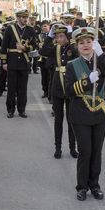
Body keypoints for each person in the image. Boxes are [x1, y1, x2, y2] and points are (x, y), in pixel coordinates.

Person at [65, 27, 105, 201]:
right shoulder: (71, 65)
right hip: (80, 114)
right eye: (81, 43)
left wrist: (101, 54)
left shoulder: (100, 60)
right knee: (85, 151)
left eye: (89, 42)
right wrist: (88, 81)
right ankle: (82, 187)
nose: (85, 45)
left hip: (99, 113)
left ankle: (95, 185)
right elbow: (69, 90)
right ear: (76, 46)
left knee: (97, 151)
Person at [41, 23, 78, 159]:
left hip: (69, 86)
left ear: (66, 37)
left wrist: (71, 37)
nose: (59, 39)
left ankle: (72, 148)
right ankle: (58, 148)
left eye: (62, 36)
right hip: (57, 87)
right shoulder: (54, 48)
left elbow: (78, 53)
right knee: (58, 119)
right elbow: (43, 51)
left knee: (71, 119)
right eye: (57, 36)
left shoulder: (72, 48)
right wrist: (49, 36)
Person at [0, 9, 38, 118]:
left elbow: (34, 46)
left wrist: (25, 48)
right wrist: (4, 62)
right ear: (18, 18)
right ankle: (10, 110)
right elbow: (4, 47)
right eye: (23, 17)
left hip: (24, 63)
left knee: (23, 88)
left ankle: (22, 110)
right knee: (11, 88)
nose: (25, 19)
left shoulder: (30, 29)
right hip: (11, 62)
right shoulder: (10, 28)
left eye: (26, 17)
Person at [38, 20, 52, 99]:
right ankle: (45, 91)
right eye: (43, 26)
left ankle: (50, 93)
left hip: (49, 58)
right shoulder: (39, 36)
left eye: (46, 26)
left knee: (50, 77)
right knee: (44, 76)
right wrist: (39, 46)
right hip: (42, 59)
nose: (45, 28)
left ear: (49, 27)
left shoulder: (52, 36)